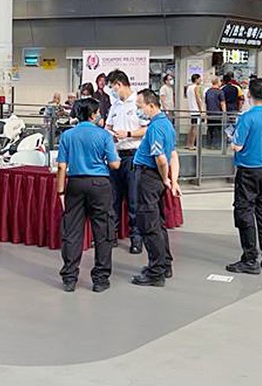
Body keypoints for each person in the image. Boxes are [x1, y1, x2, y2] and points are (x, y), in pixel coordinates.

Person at [57, 98, 121, 292]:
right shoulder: (103, 136)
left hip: (75, 184)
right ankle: (100, 279)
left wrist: (60, 191)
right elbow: (114, 164)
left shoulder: (68, 135)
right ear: (94, 115)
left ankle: (69, 277)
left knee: (72, 232)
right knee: (103, 231)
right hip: (100, 185)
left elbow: (61, 166)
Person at [225, 79, 262, 275]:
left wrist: (232, 139)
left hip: (248, 171)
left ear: (249, 95)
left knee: (245, 212)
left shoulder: (246, 118)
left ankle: (250, 258)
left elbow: (237, 146)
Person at [130, 89, 181, 287]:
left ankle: (156, 271)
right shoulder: (167, 125)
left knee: (149, 224)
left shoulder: (156, 128)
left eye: (139, 106)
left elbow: (161, 159)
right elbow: (173, 154)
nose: (138, 111)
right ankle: (164, 263)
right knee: (158, 223)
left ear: (151, 106)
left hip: (149, 178)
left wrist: (165, 177)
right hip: (155, 178)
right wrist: (172, 180)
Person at [104, 70, 145, 254]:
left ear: (119, 84)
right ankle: (110, 237)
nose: (113, 91)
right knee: (113, 199)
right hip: (115, 156)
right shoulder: (115, 106)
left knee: (134, 200)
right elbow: (108, 126)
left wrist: (128, 134)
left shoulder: (138, 102)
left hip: (133, 155)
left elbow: (146, 129)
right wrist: (109, 135)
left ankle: (136, 238)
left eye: (113, 87)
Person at [203, 78, 226, 149]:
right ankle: (217, 145)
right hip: (218, 113)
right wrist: (224, 112)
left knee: (210, 129)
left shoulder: (208, 92)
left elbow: (206, 102)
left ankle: (209, 144)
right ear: (217, 82)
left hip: (209, 113)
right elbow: (222, 103)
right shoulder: (220, 92)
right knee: (218, 129)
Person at [185, 74, 204, 150]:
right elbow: (198, 99)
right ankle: (192, 144)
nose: (200, 80)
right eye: (199, 79)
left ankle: (188, 143)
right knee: (195, 128)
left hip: (192, 109)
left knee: (192, 127)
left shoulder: (189, 87)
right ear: (196, 79)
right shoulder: (196, 87)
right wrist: (201, 110)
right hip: (196, 110)